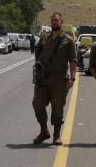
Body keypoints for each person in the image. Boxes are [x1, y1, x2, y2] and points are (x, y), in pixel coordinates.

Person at [32, 12, 77, 145]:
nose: (54, 22)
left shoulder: (68, 40)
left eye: (56, 20)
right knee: (37, 104)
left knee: (57, 108)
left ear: (61, 22)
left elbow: (73, 61)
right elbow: (38, 53)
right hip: (43, 77)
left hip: (59, 79)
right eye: (52, 20)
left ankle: (56, 135)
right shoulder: (45, 38)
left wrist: (72, 78)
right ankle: (44, 131)